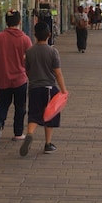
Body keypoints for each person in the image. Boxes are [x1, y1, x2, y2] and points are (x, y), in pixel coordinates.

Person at [20, 21, 68, 156]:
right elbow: (57, 73)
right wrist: (63, 90)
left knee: (34, 114)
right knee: (49, 115)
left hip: (34, 88)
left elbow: (27, 70)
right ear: (49, 34)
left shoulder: (29, 51)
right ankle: (48, 144)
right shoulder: (53, 51)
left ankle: (29, 134)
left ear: (35, 35)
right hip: (49, 88)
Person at [0, 9, 31, 143]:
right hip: (20, 78)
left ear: (6, 22)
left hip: (3, 78)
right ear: (19, 22)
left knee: (3, 103)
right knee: (20, 107)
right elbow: (29, 60)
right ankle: (18, 133)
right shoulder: (25, 39)